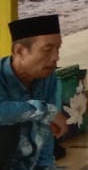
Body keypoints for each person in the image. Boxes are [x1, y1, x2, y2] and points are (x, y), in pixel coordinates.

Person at [0, 14, 67, 170]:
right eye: (47, 50)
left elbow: (46, 131)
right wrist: (44, 111)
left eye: (58, 49)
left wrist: (46, 166)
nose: (56, 57)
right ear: (19, 51)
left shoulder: (48, 77)